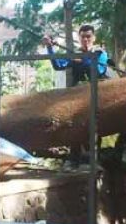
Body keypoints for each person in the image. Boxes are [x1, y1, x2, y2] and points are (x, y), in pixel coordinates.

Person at [42, 25, 109, 165]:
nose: (85, 39)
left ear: (93, 38)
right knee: (74, 127)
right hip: (76, 99)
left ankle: (94, 162)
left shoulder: (100, 53)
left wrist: (83, 60)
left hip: (94, 98)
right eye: (83, 37)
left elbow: (98, 70)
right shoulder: (75, 54)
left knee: (93, 129)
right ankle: (74, 160)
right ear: (79, 38)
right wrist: (50, 48)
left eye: (88, 36)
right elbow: (58, 65)